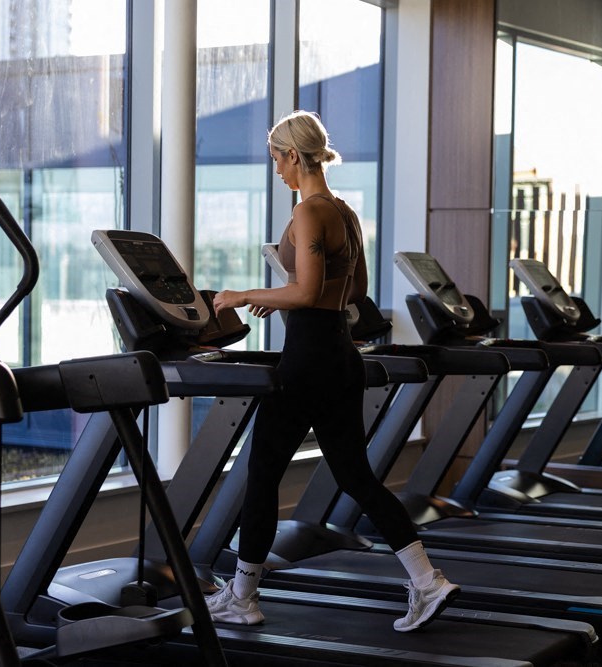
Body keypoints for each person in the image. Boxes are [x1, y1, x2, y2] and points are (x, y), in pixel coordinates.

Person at [210, 110, 459, 633]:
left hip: (306, 360)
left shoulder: (308, 213)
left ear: (294, 157)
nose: (276, 170)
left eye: (277, 159)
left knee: (262, 476)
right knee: (355, 476)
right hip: (341, 356)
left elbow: (304, 291)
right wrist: (293, 299)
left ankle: (244, 597)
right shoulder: (345, 212)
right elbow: (356, 290)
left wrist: (243, 295)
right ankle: (427, 580)